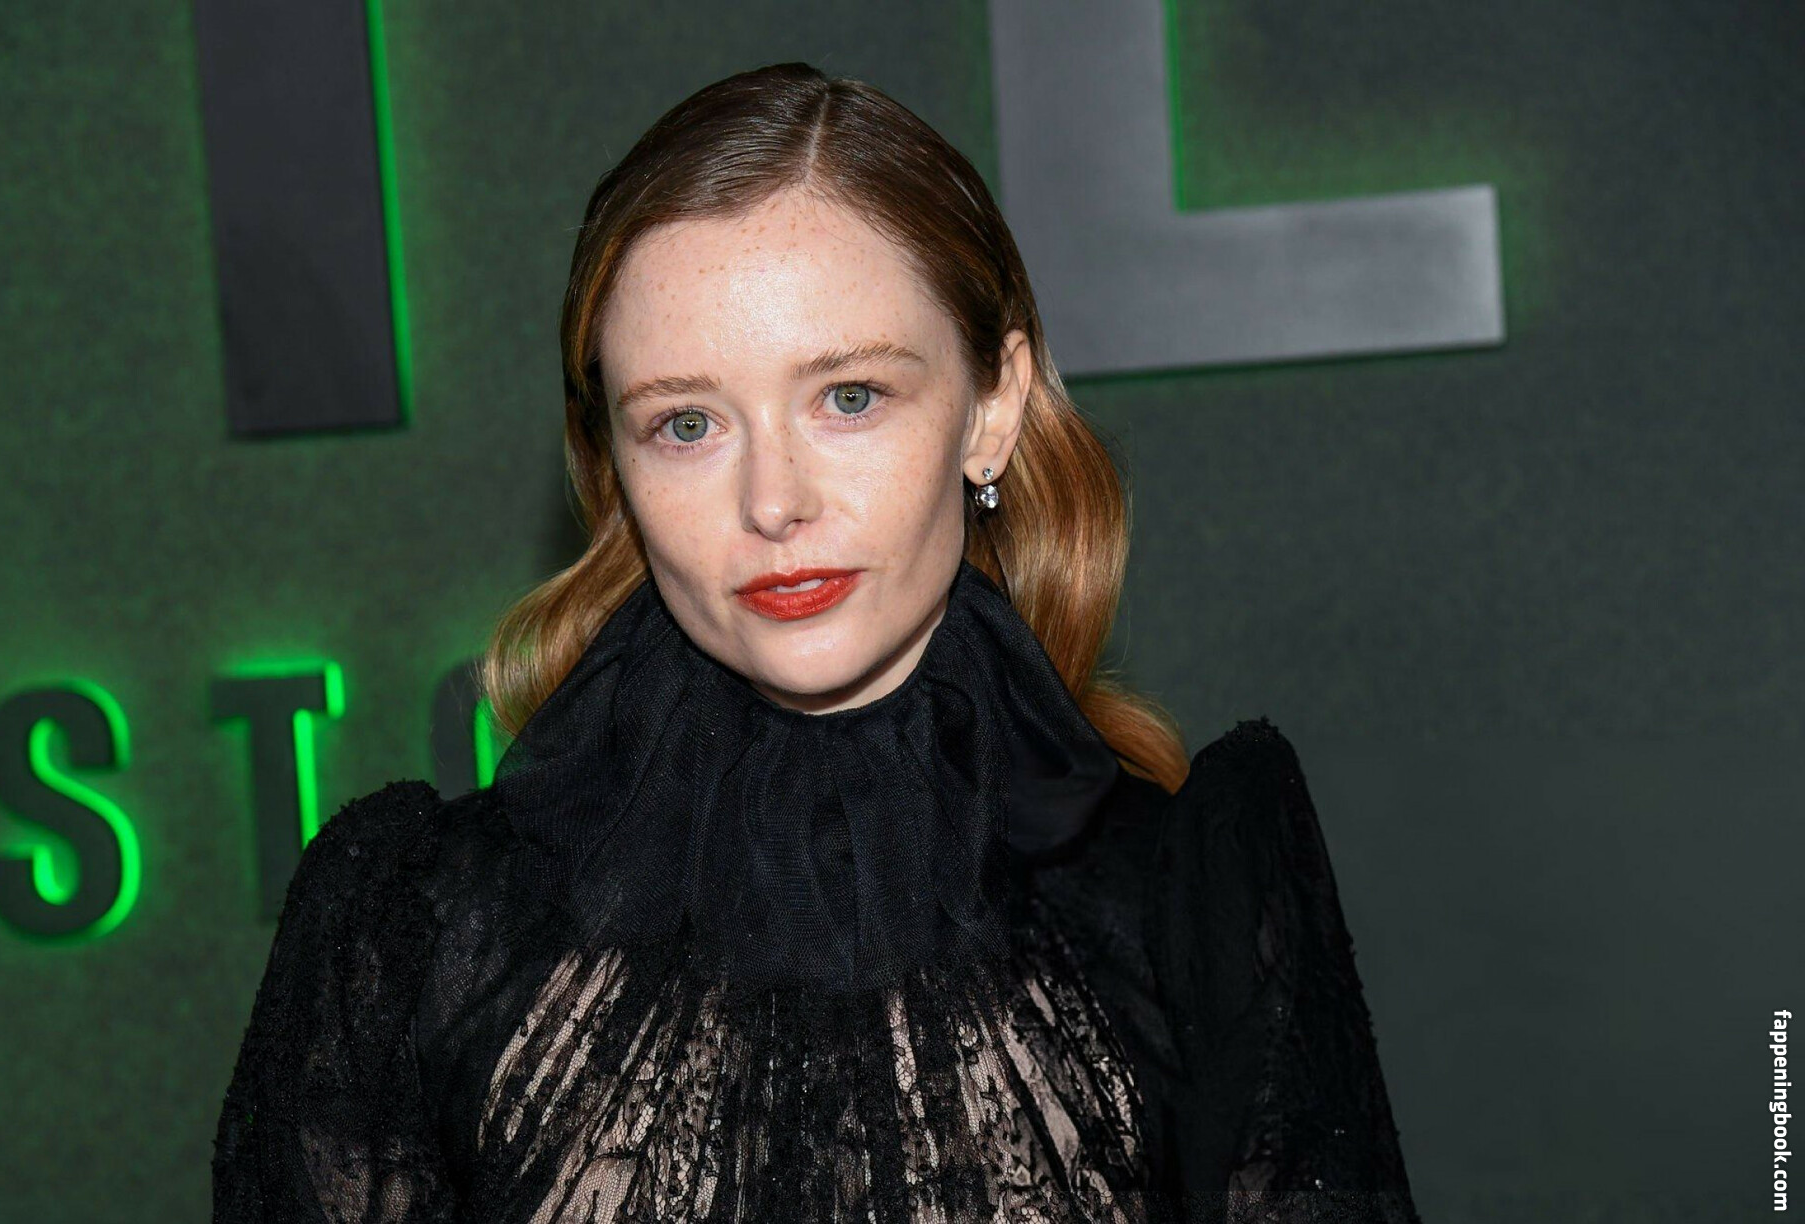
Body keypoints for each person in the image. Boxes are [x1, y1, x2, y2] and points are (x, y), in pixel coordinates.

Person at [212, 62, 1422, 1223]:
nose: (773, 503)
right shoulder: (411, 942)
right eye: (687, 424)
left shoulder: (1187, 914)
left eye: (849, 398)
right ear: (617, 464)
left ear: (992, 407)